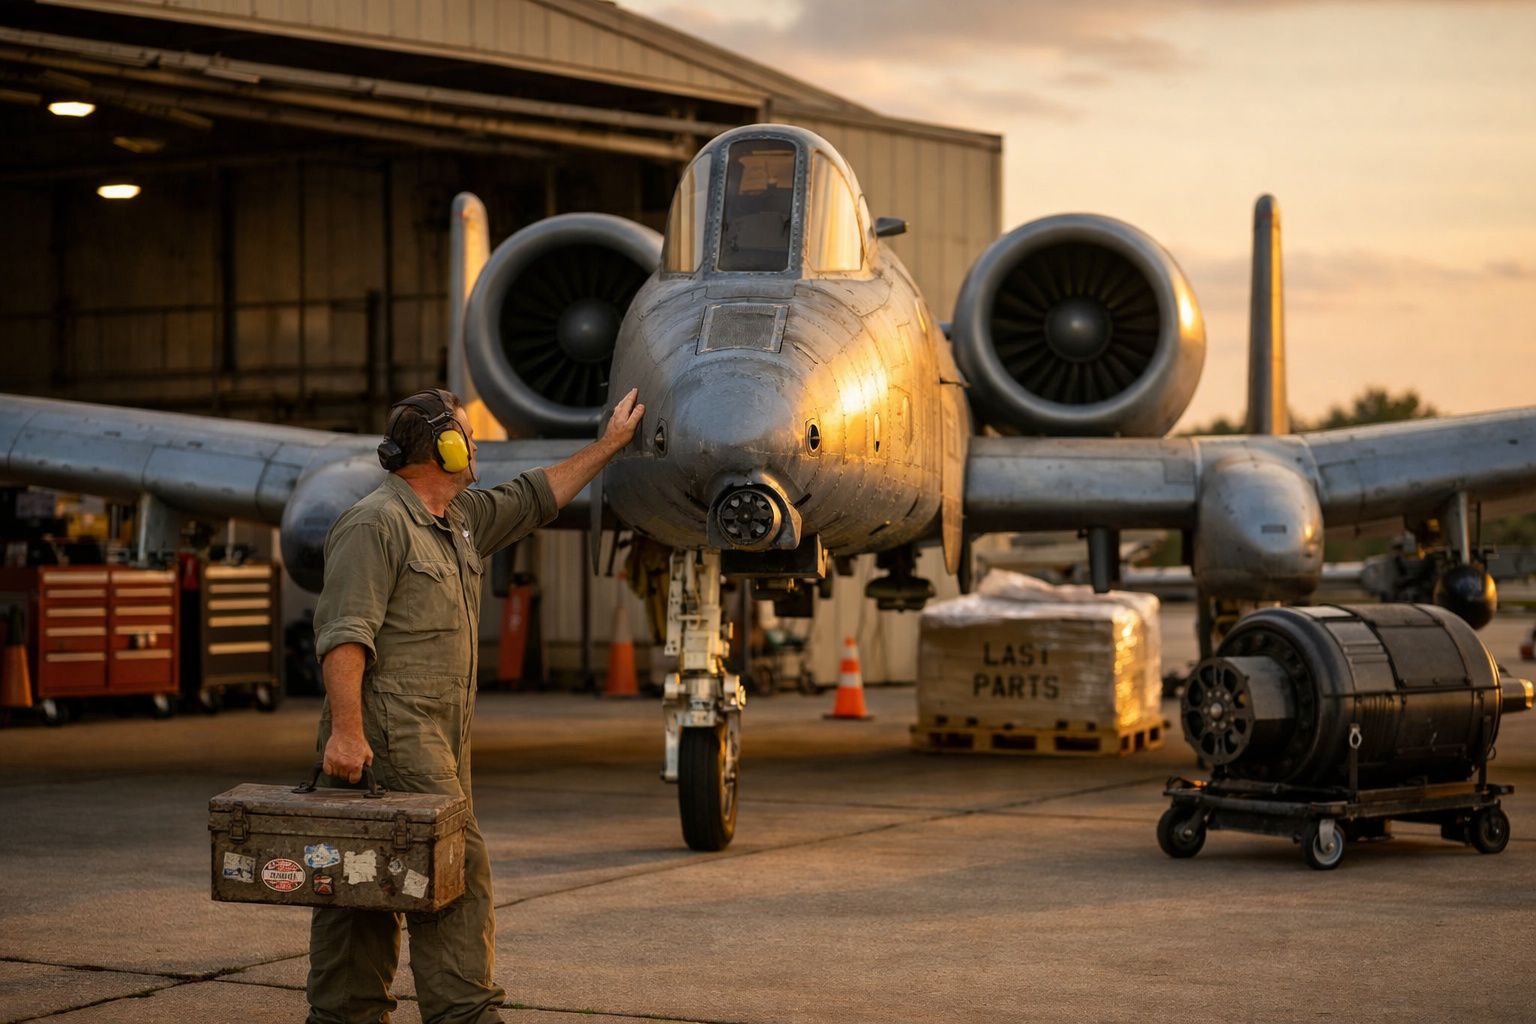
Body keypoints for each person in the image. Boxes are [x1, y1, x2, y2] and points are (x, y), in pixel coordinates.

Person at [307, 386, 643, 1024]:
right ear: (445, 446)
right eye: (466, 433)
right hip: (391, 731)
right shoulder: (376, 523)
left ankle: (344, 1014)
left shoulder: (459, 521)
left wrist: (609, 446)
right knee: (451, 866)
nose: (477, 445)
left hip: (441, 732)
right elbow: (345, 635)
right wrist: (346, 732)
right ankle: (463, 1014)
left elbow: (536, 495)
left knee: (362, 875)